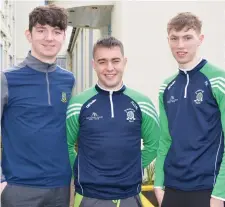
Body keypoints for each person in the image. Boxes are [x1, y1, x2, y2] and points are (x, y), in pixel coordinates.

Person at [66, 36, 160, 207]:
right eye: (102, 62)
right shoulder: (78, 103)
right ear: (94, 64)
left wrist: (132, 168)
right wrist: (84, 169)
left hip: (130, 196)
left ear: (124, 62)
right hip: (89, 197)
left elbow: (154, 145)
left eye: (115, 61)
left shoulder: (142, 103)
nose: (110, 68)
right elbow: (66, 145)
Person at [1, 4, 75, 207]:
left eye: (56, 31)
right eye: (41, 30)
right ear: (29, 34)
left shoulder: (68, 80)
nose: (49, 38)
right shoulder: (7, 79)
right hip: (19, 188)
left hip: (60, 187)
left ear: (63, 36)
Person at [154, 12, 225, 207]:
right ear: (168, 40)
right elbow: (165, 139)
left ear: (200, 39)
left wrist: (220, 194)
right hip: (173, 188)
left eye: (187, 37)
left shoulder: (218, 80)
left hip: (207, 189)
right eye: (174, 38)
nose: (180, 45)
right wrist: (158, 183)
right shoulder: (166, 87)